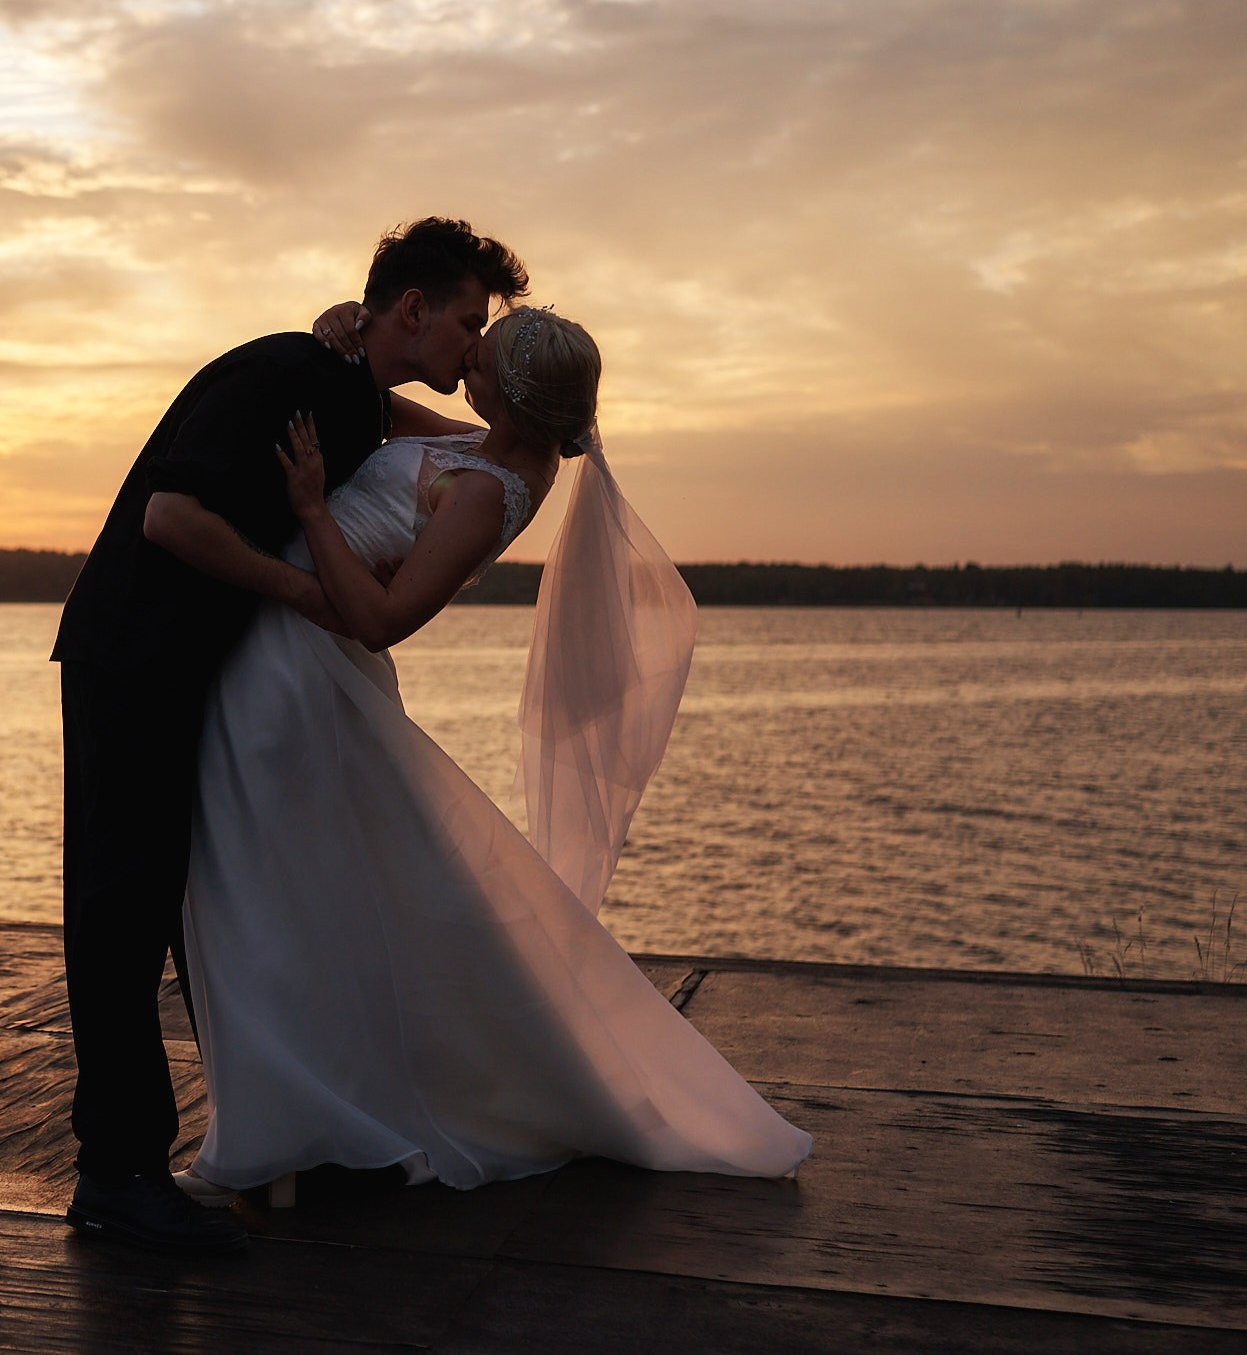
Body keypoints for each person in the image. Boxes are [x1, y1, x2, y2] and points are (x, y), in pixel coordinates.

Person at [177, 303, 813, 1199]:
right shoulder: (489, 447)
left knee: (262, 893)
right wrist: (347, 339)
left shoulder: (486, 492)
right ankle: (294, 1121)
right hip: (286, 653)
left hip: (298, 661)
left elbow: (382, 615)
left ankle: (284, 1130)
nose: (468, 354)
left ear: (511, 397)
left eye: (485, 355)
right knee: (299, 896)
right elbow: (386, 413)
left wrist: (314, 507)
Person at [51, 218, 530, 1254]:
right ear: (411, 308)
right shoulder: (284, 371)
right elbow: (171, 519)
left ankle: (278, 1127)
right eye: (464, 319)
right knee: (119, 911)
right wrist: (305, 590)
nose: (470, 342)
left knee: (192, 911)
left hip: (197, 664)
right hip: (133, 655)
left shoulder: (354, 392)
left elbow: (472, 443)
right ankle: (116, 1172)